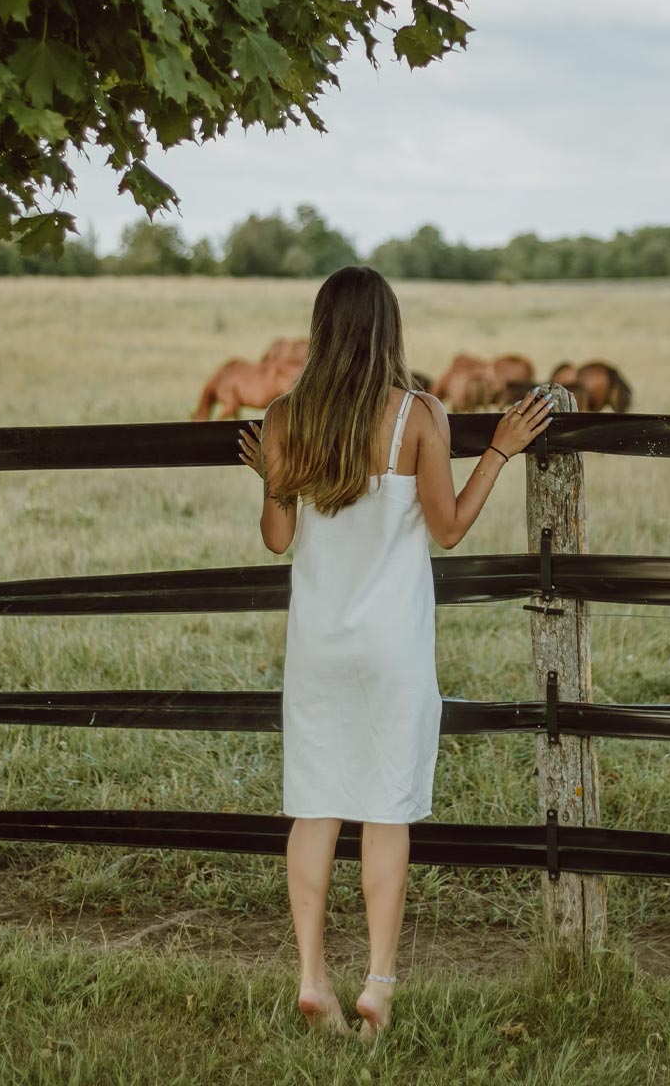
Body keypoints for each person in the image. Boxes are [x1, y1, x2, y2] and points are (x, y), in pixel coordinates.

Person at [237, 265, 552, 1040]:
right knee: (385, 812)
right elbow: (448, 528)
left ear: (320, 329)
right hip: (392, 650)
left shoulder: (284, 417)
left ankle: (313, 975)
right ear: (387, 329)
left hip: (317, 648)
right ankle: (377, 983)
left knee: (315, 808)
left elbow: (279, 538)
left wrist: (275, 477)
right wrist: (500, 452)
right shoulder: (418, 413)